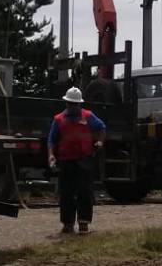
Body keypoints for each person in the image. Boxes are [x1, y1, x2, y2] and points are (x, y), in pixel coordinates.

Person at [47, 87, 106, 234]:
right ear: (66, 103)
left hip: (84, 160)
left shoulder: (88, 116)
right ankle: (67, 223)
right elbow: (51, 140)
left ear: (79, 104)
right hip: (66, 160)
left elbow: (102, 128)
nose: (72, 106)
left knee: (84, 192)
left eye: (75, 104)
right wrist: (51, 155)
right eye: (70, 103)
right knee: (66, 193)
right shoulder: (59, 119)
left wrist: (100, 141)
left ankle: (83, 223)